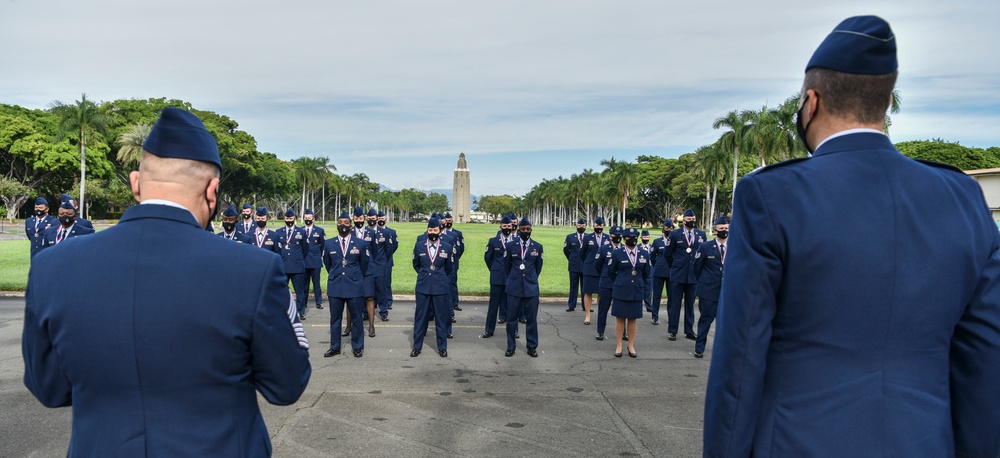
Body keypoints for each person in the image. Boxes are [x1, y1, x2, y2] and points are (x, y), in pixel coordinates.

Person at [703, 16, 1000, 457]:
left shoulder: (770, 194)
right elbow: (984, 360)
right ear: (883, 102)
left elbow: (741, 359)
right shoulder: (963, 196)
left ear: (812, 100)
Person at [22, 107, 310, 456]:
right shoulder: (254, 269)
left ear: (135, 183)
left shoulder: (52, 266)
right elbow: (286, 385)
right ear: (213, 191)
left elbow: (49, 389)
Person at [323, 211, 369, 358]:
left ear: (351, 225)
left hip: (354, 285)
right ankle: (334, 346)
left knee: (356, 318)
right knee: (335, 319)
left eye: (346, 223)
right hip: (336, 285)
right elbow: (328, 264)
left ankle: (357, 346)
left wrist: (354, 277)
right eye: (340, 222)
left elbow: (364, 265)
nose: (343, 225)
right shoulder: (329, 243)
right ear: (337, 224)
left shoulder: (361, 243)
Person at [410, 217, 454, 357]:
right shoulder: (419, 245)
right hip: (423, 286)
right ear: (427, 230)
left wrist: (437, 276)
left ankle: (442, 347)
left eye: (435, 230)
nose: (432, 232)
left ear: (440, 231)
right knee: (420, 318)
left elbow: (448, 268)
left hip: (440, 287)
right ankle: (417, 346)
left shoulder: (447, 247)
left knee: (441, 319)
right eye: (430, 230)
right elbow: (416, 265)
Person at [503, 217, 543, 357]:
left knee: (531, 319)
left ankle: (532, 346)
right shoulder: (510, 246)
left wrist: (529, 278)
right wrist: (515, 278)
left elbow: (538, 268)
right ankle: (511, 346)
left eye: (528, 229)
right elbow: (507, 267)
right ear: (518, 230)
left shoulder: (537, 247)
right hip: (514, 287)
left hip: (531, 287)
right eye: (523, 229)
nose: (526, 231)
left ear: (531, 230)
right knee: (511, 319)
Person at [663, 209, 704, 341]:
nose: (691, 221)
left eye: (693, 219)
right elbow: (667, 254)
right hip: (678, 274)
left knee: (690, 304)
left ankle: (689, 330)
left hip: (693, 275)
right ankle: (673, 330)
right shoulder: (675, 234)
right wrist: (675, 266)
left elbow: (701, 255)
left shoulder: (700, 234)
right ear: (684, 220)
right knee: (675, 303)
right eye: (689, 219)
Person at [691, 216, 727, 359]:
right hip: (709, 291)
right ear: (715, 230)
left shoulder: (734, 245)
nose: (724, 231)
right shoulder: (705, 247)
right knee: (705, 321)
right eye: (721, 229)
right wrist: (705, 282)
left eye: (726, 229)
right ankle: (699, 348)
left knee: (724, 324)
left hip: (726, 292)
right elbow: (696, 268)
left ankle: (723, 351)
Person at [609, 228, 649, 358]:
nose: (633, 239)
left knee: (632, 319)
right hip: (621, 289)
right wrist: (621, 281)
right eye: (629, 237)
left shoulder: (644, 253)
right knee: (620, 318)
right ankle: (619, 345)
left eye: (634, 236)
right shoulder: (617, 253)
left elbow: (647, 273)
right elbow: (611, 272)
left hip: (636, 289)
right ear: (625, 238)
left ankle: (631, 345)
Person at [482, 216, 514, 338]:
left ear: (512, 227)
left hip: (511, 277)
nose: (507, 228)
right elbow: (488, 258)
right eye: (504, 226)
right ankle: (489, 330)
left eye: (509, 226)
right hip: (497, 277)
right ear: (500, 227)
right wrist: (495, 269)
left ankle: (513, 331)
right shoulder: (493, 241)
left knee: (512, 306)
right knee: (493, 306)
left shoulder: (516, 241)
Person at [277, 208, 309, 320]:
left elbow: (306, 249)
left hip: (297, 266)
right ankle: (283, 311)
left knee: (300, 291)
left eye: (290, 218)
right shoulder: (278, 232)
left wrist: (298, 259)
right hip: (283, 266)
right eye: (287, 218)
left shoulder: (301, 232)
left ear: (294, 219)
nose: (288, 220)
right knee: (282, 290)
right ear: (284, 219)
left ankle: (300, 311)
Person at [593, 225, 623, 341]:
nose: (618, 237)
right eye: (616, 235)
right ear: (611, 236)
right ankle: (600, 331)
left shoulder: (624, 249)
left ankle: (623, 332)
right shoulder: (604, 249)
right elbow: (597, 265)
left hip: (620, 283)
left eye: (620, 235)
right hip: (606, 282)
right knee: (603, 309)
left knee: (621, 310)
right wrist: (605, 275)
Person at [580, 216, 608, 325]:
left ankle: (600, 315)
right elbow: (582, 253)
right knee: (588, 292)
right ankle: (587, 315)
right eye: (597, 225)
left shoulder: (607, 238)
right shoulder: (587, 237)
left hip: (602, 269)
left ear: (603, 226)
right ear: (593, 226)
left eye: (600, 225)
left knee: (601, 293)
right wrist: (588, 262)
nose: (599, 227)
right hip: (589, 268)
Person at [648, 219, 674, 325]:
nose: (669, 230)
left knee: (671, 296)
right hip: (659, 272)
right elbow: (652, 257)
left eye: (671, 228)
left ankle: (671, 317)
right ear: (663, 229)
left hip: (671, 272)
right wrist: (657, 265)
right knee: (657, 296)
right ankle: (655, 316)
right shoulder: (657, 242)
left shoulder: (675, 241)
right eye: (667, 228)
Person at [367, 208, 391, 321]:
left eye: (373, 218)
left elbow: (389, 249)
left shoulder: (384, 233)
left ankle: (383, 312)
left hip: (380, 265)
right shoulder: (364, 232)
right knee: (367, 290)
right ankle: (366, 312)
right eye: (370, 218)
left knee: (381, 289)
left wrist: (383, 262)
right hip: (367, 266)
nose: (372, 220)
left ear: (377, 219)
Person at [441, 212, 465, 313]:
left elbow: (460, 249)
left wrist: (455, 259)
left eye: (450, 221)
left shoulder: (456, 234)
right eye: (447, 221)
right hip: (442, 263)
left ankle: (455, 303)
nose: (448, 223)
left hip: (453, 263)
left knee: (453, 284)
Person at [303, 209, 326, 310]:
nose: (308, 220)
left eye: (309, 218)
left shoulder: (319, 231)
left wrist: (318, 255)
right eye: (306, 218)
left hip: (315, 261)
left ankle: (319, 302)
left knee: (316, 283)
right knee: (304, 284)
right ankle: (303, 302)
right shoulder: (300, 230)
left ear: (313, 219)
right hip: (303, 261)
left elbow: (323, 246)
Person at [563, 218, 587, 312]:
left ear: (585, 226)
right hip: (573, 266)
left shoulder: (588, 237)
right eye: (579, 225)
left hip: (585, 266)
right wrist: (572, 259)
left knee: (585, 287)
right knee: (573, 286)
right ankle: (571, 305)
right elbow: (566, 250)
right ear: (576, 226)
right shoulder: (570, 237)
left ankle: (585, 306)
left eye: (583, 225)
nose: (581, 227)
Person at [376, 210, 397, 311]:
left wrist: (386, 255)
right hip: (376, 261)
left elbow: (394, 246)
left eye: (382, 218)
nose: (381, 220)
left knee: (387, 282)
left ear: (385, 218)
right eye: (379, 218)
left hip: (387, 260)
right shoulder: (373, 232)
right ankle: (376, 301)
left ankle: (388, 301)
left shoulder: (391, 232)